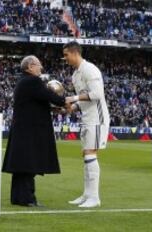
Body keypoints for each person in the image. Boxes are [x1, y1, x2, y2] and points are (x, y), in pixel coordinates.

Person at [2, 55, 67, 207]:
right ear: (30, 66)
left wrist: (55, 108)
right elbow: (49, 96)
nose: (41, 68)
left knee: (20, 167)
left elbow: (36, 102)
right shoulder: (33, 81)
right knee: (28, 165)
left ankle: (17, 198)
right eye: (38, 65)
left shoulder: (23, 81)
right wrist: (66, 101)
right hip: (29, 131)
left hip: (22, 129)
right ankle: (28, 198)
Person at [64, 42, 110, 208]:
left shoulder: (90, 69)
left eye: (66, 55)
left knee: (90, 153)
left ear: (74, 53)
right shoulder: (76, 74)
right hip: (87, 117)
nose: (65, 58)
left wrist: (74, 99)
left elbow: (97, 94)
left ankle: (94, 197)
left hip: (97, 118)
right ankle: (87, 194)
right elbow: (84, 99)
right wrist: (72, 108)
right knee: (86, 155)